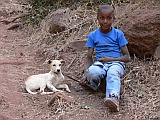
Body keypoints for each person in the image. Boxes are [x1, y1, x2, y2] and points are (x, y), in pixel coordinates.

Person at [75, 4, 131, 112]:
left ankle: (113, 98)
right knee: (93, 72)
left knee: (112, 73)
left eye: (108, 18)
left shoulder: (118, 34)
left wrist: (111, 60)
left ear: (114, 18)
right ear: (97, 18)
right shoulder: (93, 35)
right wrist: (86, 73)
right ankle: (95, 86)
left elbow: (127, 57)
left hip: (116, 63)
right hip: (100, 64)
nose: (105, 21)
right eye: (102, 18)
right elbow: (89, 57)